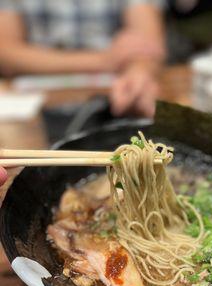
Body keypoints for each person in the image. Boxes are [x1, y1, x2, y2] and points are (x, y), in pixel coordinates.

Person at [0, 0, 166, 186]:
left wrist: (139, 70)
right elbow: (5, 52)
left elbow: (147, 41)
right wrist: (104, 60)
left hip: (117, 103)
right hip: (33, 115)